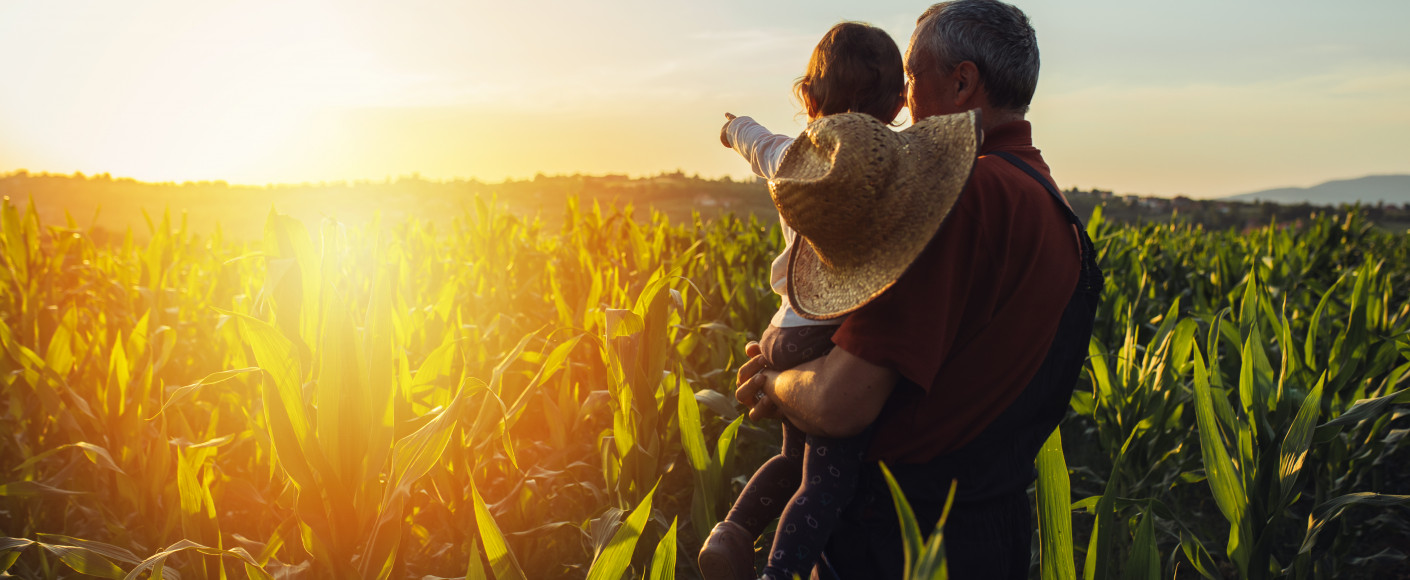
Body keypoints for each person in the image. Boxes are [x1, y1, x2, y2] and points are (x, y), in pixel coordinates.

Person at [733, 1, 1104, 578]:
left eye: (911, 76)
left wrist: (774, 383)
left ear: (961, 82)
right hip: (992, 533)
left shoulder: (956, 202)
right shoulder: (1055, 212)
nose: (902, 101)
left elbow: (840, 403)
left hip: (903, 539)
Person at [699, 22, 929, 580]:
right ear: (900, 103)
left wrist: (735, 129)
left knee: (789, 458)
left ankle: (730, 535)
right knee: (826, 480)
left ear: (808, 97)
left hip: (783, 330)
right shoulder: (893, 168)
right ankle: (780, 573)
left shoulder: (790, 157)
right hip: (827, 335)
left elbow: (757, 142)